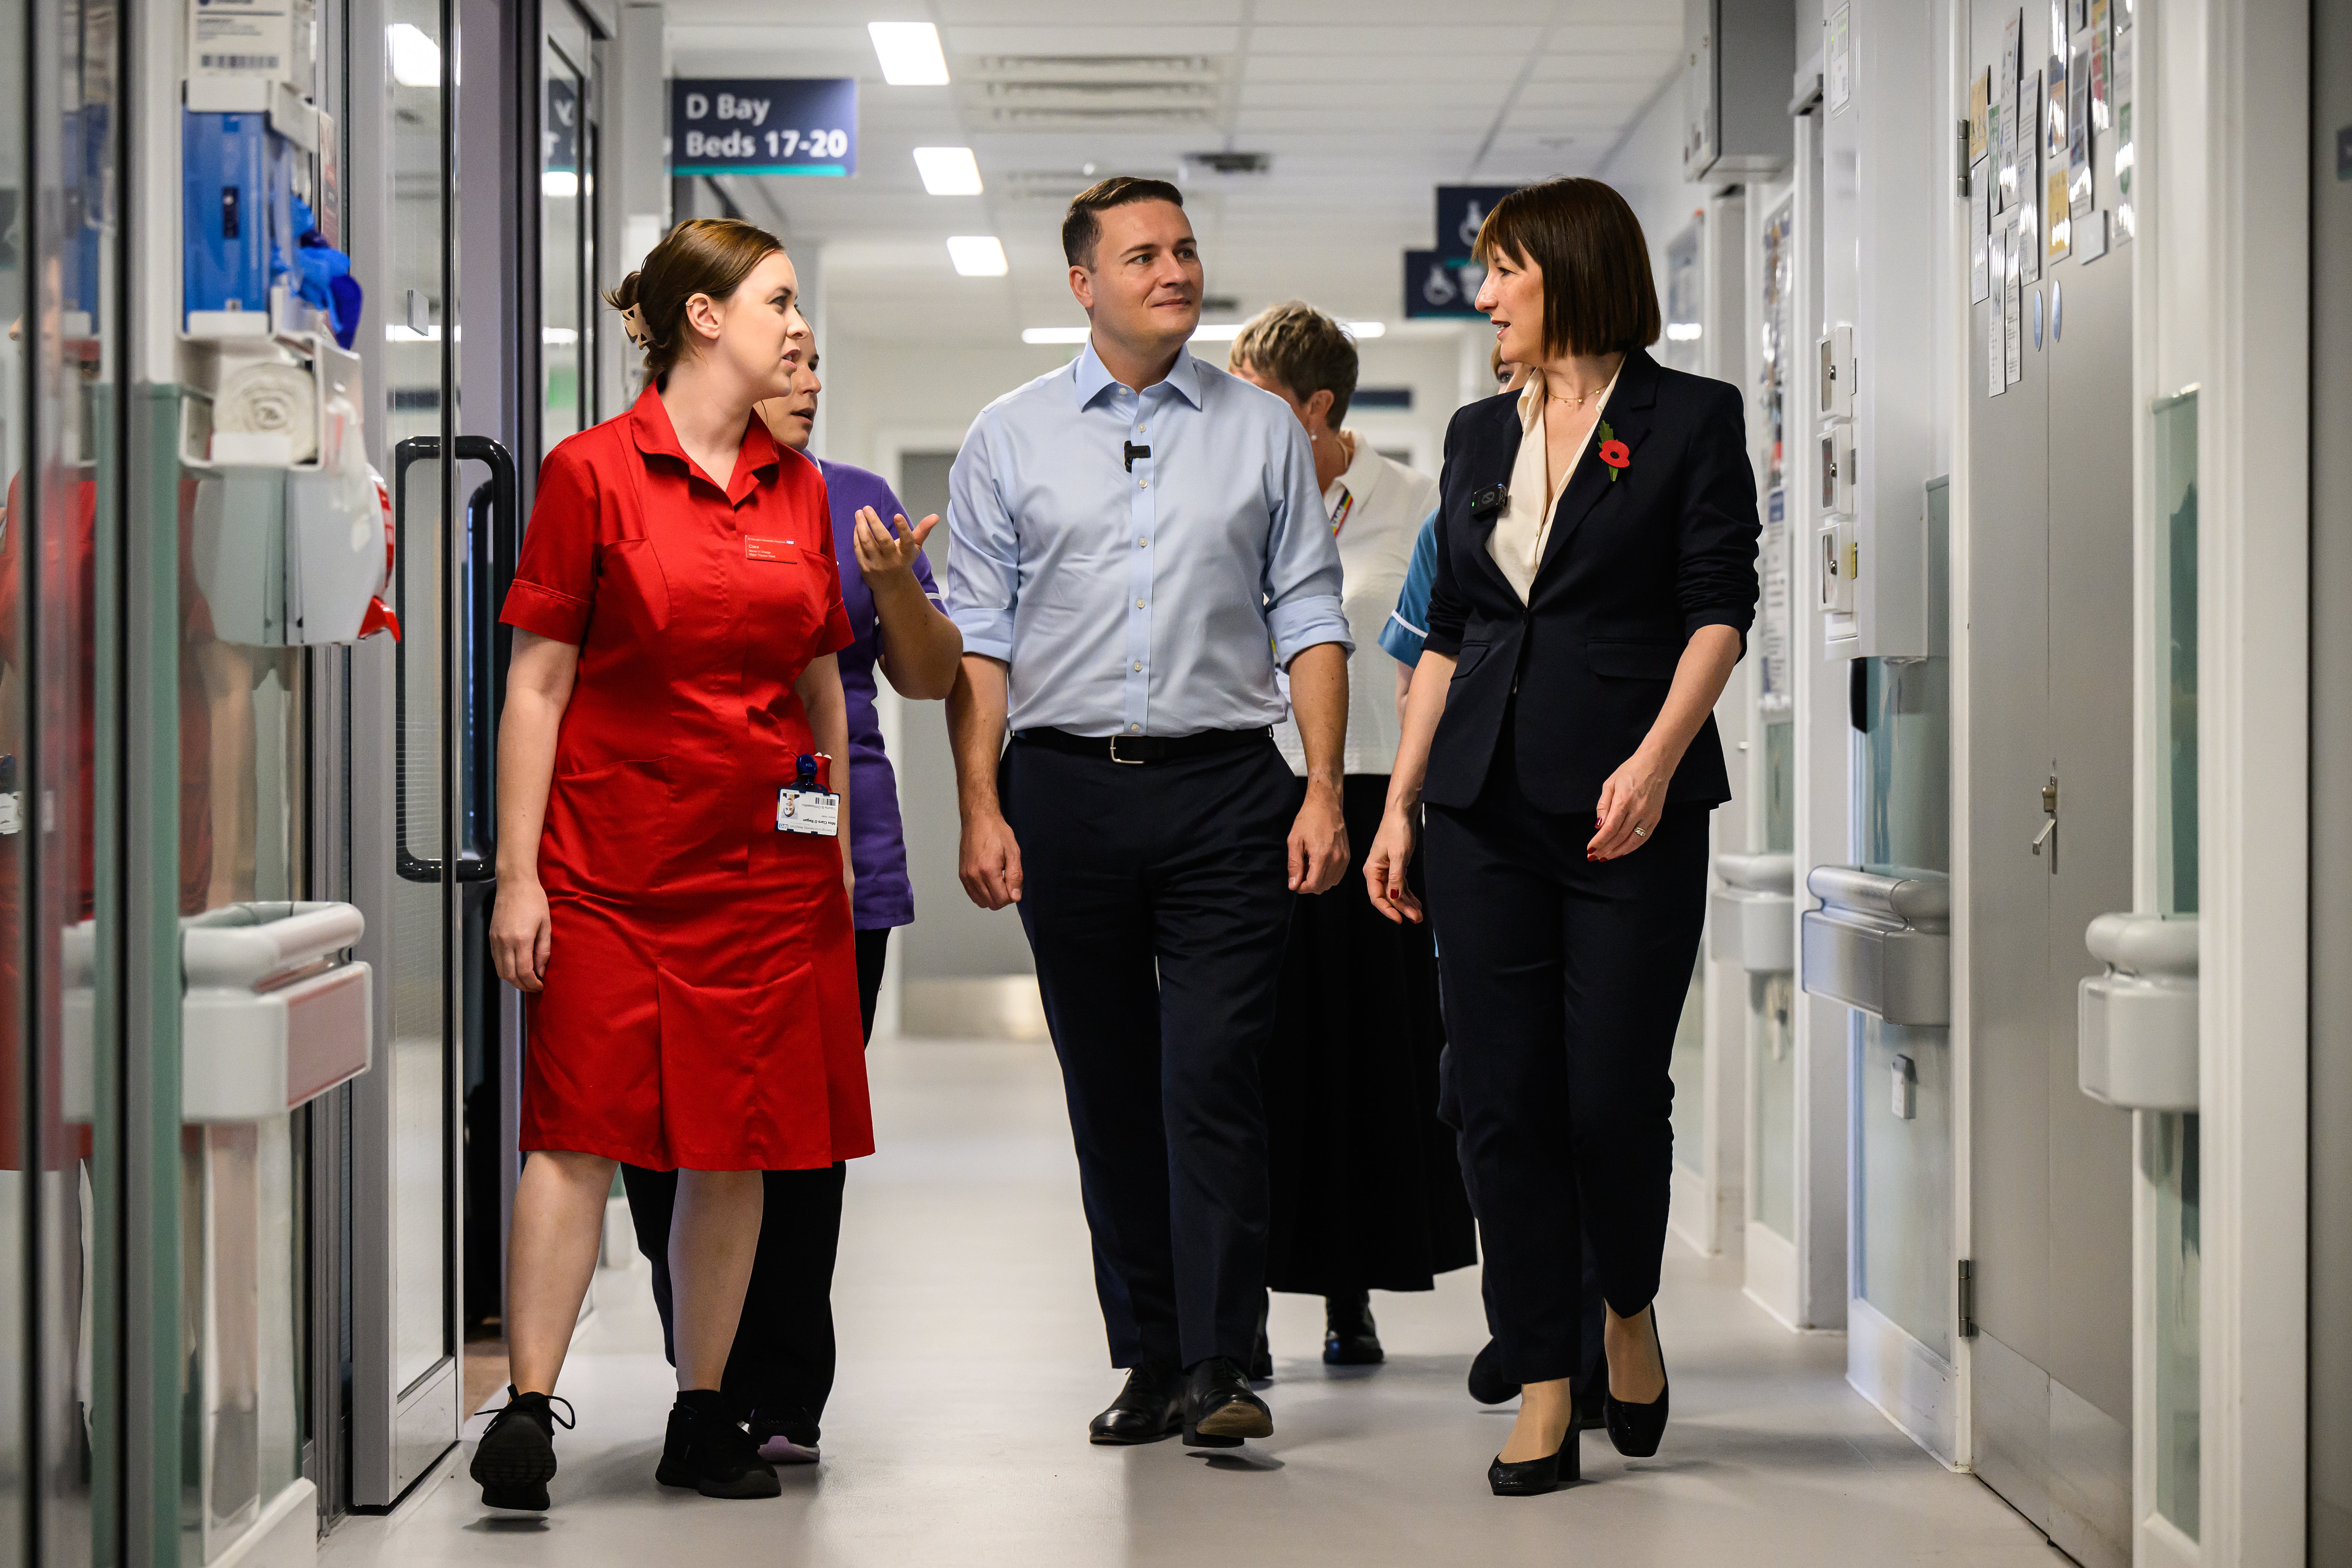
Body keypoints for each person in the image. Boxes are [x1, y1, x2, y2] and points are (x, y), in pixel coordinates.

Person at [943, 176, 1354, 1450]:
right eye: (1142, 255)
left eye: (1183, 249)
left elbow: (1312, 613)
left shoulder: (1261, 432)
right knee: (1111, 1087)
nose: (1173, 269)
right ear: (1084, 282)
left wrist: (1325, 788)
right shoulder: (1007, 437)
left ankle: (1225, 1360)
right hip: (1063, 788)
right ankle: (1150, 1354)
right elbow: (980, 642)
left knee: (1213, 1075)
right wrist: (979, 805)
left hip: (1229, 786)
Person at [1364, 177, 1759, 1497]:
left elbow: (1719, 610)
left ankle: (1626, 1310)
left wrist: (1654, 760)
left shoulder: (1691, 420)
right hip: (1479, 805)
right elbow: (1454, 633)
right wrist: (1399, 802)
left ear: (1570, 276)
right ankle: (1542, 1376)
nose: (1483, 296)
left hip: (1623, 811)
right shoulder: (1481, 434)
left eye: (1501, 274)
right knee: (1496, 1100)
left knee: (1603, 1095)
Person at [477, 217, 872, 1509]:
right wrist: (520, 874)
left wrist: (825, 850)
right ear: (704, 318)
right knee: (577, 1135)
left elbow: (818, 694)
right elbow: (536, 683)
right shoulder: (591, 474)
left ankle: (706, 1412)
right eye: (778, 300)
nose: (798, 326)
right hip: (604, 868)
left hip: (761, 885)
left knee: (736, 1145)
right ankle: (528, 1410)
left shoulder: (797, 489)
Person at [618, 321, 962, 1464]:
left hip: (833, 859)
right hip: (673, 862)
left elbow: (926, 677)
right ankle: (702, 1377)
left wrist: (894, 586)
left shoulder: (851, 500)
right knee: (671, 1135)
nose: (811, 383)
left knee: (800, 1139)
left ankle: (783, 1389)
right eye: (794, 363)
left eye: (820, 367)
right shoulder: (627, 483)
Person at [1225, 301, 1473, 1373]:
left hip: (1380, 808)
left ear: (1320, 407)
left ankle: (1350, 1290)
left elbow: (1439, 664)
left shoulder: (1418, 507)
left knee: (1374, 1059)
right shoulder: (1228, 504)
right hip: (1255, 803)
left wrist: (1410, 813)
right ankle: (1244, 1307)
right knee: (1256, 1061)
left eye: (1262, 399)